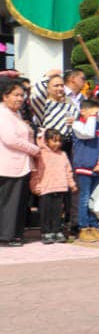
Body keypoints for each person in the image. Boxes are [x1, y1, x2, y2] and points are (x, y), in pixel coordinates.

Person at [0, 78, 39, 246]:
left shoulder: (16, 114)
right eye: (15, 95)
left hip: (21, 165)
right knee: (9, 203)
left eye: (22, 95)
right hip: (8, 165)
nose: (19, 98)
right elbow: (10, 139)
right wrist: (34, 150)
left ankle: (14, 233)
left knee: (18, 202)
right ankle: (6, 235)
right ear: (5, 96)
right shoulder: (3, 114)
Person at [70, 98, 99, 243]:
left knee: (95, 198)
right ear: (83, 111)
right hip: (84, 166)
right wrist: (91, 117)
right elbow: (88, 133)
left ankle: (94, 226)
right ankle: (84, 228)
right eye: (93, 112)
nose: (96, 115)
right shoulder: (77, 124)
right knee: (84, 198)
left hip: (97, 166)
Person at [31, 129, 75, 243]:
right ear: (46, 141)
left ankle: (57, 231)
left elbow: (68, 170)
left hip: (60, 187)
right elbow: (35, 171)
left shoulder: (63, 154)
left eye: (59, 141)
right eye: (54, 141)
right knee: (45, 212)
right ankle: (46, 232)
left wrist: (71, 184)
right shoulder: (40, 154)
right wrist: (35, 186)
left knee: (57, 211)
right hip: (45, 188)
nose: (57, 144)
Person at [31, 71, 78, 141]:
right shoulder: (43, 105)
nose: (60, 88)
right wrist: (47, 75)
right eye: (56, 86)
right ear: (48, 89)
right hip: (50, 144)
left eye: (62, 85)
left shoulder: (70, 106)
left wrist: (77, 123)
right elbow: (36, 93)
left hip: (70, 144)